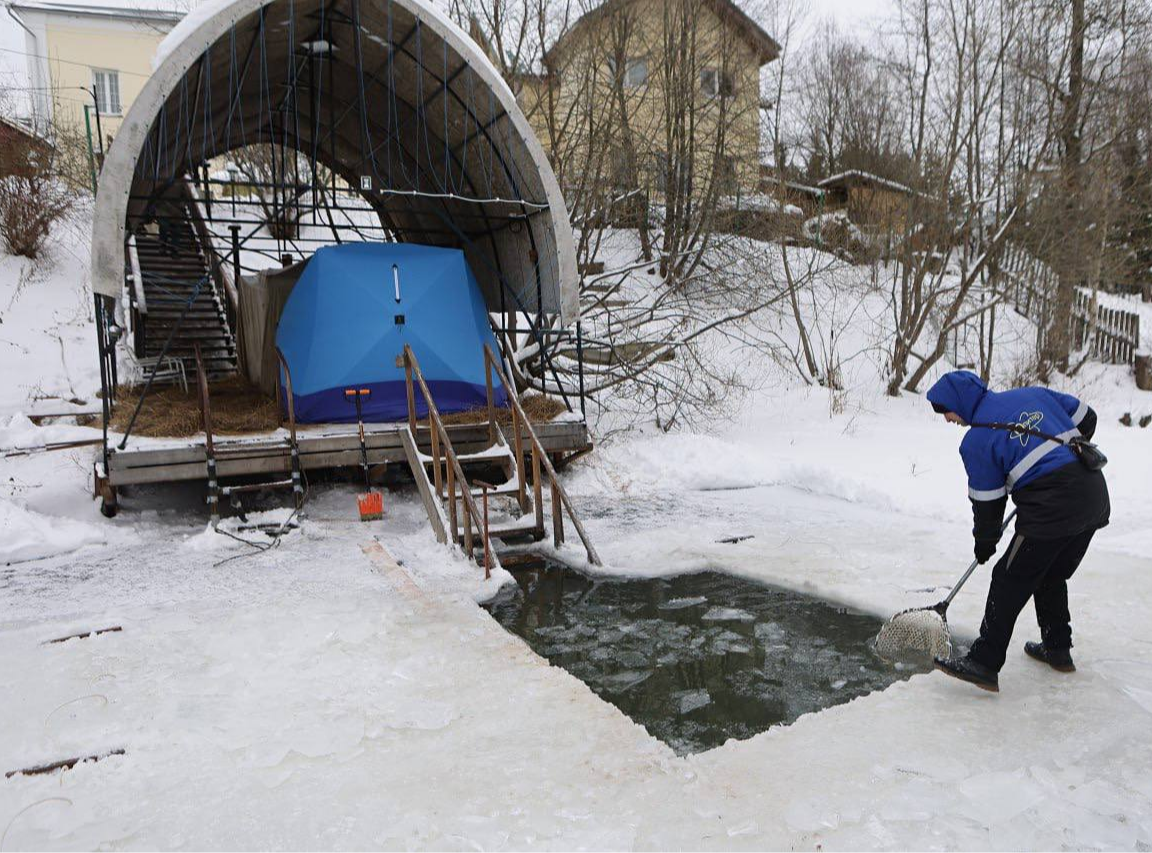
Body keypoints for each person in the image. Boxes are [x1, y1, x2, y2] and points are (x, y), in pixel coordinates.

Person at [926, 371, 1109, 692]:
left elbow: (987, 504)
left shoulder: (977, 440)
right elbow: (1087, 417)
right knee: (1049, 572)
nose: (947, 419)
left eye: (945, 411)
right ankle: (1058, 649)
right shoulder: (1031, 394)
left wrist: (985, 543)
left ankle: (984, 662)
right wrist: (1064, 450)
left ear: (959, 404)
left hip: (1052, 506)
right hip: (1092, 495)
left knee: (1008, 578)